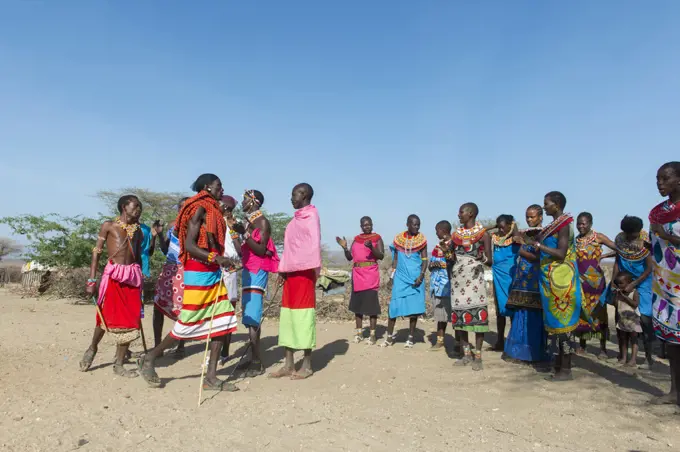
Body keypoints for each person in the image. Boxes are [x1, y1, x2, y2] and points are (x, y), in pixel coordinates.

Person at [138, 174, 240, 391]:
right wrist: (216, 258)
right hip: (198, 272)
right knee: (188, 322)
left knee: (222, 321)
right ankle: (150, 357)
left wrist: (220, 260)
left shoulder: (213, 209)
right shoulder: (199, 209)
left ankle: (211, 377)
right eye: (218, 186)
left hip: (212, 271)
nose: (222, 190)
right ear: (207, 187)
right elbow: (190, 246)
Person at [79, 195, 144, 378]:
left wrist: (140, 278)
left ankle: (119, 363)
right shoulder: (108, 226)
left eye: (140, 207)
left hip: (132, 277)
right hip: (113, 277)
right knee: (104, 317)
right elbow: (96, 254)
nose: (139, 210)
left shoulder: (138, 231)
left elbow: (137, 256)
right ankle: (92, 348)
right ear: (124, 207)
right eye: (136, 206)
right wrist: (92, 281)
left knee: (130, 320)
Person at [524, 191, 584, 381]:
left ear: (556, 205)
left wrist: (538, 246)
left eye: (546, 204)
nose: (544, 207)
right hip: (551, 282)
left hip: (563, 282)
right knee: (557, 328)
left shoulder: (564, 225)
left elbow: (560, 253)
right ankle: (559, 365)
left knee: (565, 329)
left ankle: (566, 369)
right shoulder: (554, 226)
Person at [268, 183, 321, 380]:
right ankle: (288, 364)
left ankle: (306, 365)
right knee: (288, 317)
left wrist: (297, 265)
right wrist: (283, 270)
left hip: (304, 273)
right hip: (290, 273)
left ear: (304, 194)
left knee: (304, 316)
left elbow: (311, 247)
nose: (291, 198)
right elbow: (290, 249)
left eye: (294, 194)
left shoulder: (311, 216)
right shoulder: (295, 219)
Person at [230, 190, 280, 375]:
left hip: (258, 270)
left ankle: (257, 362)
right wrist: (237, 235)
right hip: (249, 270)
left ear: (253, 202)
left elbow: (261, 250)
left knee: (253, 317)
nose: (241, 202)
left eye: (244, 199)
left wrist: (245, 235)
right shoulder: (248, 222)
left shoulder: (262, 222)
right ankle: (252, 358)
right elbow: (244, 250)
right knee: (248, 316)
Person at [602, 216, 654, 369]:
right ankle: (622, 355)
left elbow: (649, 268)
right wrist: (613, 281)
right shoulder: (620, 240)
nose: (632, 237)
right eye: (629, 234)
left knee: (644, 319)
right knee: (621, 318)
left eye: (634, 234)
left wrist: (634, 284)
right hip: (623, 280)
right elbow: (618, 260)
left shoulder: (646, 241)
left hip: (642, 282)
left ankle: (648, 358)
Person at [649, 161, 680, 407]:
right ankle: (674, 391)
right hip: (665, 283)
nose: (659, 183)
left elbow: (665, 238)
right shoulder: (658, 212)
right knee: (672, 342)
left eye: (664, 178)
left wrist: (665, 235)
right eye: (657, 178)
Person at [449, 203, 492, 371]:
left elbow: (490, 260)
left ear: (471, 213)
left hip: (474, 280)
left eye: (461, 212)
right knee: (461, 318)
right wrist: (447, 251)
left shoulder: (483, 235)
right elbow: (451, 257)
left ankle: (478, 356)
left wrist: (482, 258)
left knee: (477, 316)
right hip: (458, 279)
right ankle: (466, 354)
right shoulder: (455, 236)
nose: (459, 215)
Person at [505, 205, 550, 365]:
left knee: (535, 314)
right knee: (521, 312)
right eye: (527, 217)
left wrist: (524, 252)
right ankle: (519, 352)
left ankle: (534, 353)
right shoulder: (524, 233)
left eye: (532, 217)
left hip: (536, 277)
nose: (529, 220)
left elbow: (543, 255)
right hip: (523, 278)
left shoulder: (545, 234)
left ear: (540, 217)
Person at [380, 214, 428, 348]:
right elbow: (395, 260)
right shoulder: (398, 240)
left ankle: (411, 338)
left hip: (416, 278)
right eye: (414, 224)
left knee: (414, 310)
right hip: (400, 278)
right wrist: (391, 277)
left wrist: (421, 276)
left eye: (418, 224)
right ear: (407, 224)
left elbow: (425, 260)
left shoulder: (422, 240)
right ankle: (389, 338)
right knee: (393, 307)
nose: (417, 227)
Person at [336, 216, 384, 345]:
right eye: (364, 225)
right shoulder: (357, 239)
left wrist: (371, 248)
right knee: (357, 306)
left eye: (368, 224)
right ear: (361, 226)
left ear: (372, 225)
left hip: (370, 275)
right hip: (357, 275)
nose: (366, 227)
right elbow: (349, 258)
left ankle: (372, 335)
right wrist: (345, 248)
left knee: (372, 307)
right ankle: (359, 333)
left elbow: (381, 255)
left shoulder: (377, 238)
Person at [574, 212, 616, 356]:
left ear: (591, 223)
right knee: (583, 313)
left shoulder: (599, 237)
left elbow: (618, 249)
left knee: (600, 314)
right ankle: (582, 345)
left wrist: (604, 255)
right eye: (578, 223)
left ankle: (602, 348)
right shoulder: (576, 240)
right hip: (581, 282)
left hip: (597, 283)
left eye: (583, 223)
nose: (581, 226)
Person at [152, 197, 189, 357]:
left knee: (183, 310)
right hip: (169, 269)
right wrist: (160, 235)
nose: (184, 211)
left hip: (186, 270)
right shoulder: (172, 226)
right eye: (181, 208)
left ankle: (181, 345)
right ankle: (157, 345)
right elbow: (166, 250)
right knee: (158, 306)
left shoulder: (196, 227)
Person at [217, 194, 243, 366]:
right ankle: (215, 351)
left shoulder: (235, 224)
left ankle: (224, 352)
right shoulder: (211, 221)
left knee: (227, 311)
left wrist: (234, 229)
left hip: (229, 268)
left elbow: (240, 251)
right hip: (213, 267)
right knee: (214, 311)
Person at [490, 214, 519, 352]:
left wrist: (514, 226)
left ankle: (513, 341)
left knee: (512, 309)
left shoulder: (516, 239)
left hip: (511, 276)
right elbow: (481, 231)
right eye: (499, 227)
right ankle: (500, 341)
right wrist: (495, 226)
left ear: (510, 225)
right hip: (498, 276)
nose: (501, 230)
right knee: (499, 311)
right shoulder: (495, 237)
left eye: (503, 227)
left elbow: (521, 237)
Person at [429, 220, 454, 351]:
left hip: (449, 285)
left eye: (437, 230)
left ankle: (459, 343)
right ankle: (440, 341)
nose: (436, 233)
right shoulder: (437, 247)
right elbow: (430, 265)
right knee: (440, 315)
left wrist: (444, 264)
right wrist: (433, 265)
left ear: (443, 230)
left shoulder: (454, 244)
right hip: (437, 286)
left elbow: (453, 262)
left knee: (454, 315)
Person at [612, 271, 641, 368]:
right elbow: (616, 305)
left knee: (633, 339)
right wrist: (616, 296)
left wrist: (624, 297)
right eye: (618, 284)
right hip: (622, 319)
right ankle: (624, 358)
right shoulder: (619, 293)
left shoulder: (634, 292)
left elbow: (635, 304)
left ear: (629, 283)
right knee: (623, 339)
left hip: (633, 319)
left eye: (621, 283)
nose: (619, 285)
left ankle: (633, 360)